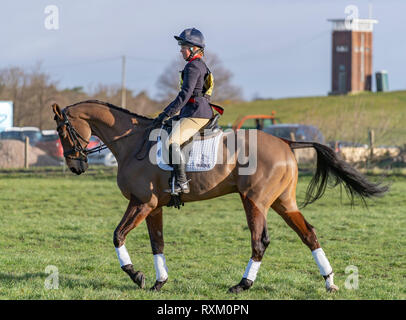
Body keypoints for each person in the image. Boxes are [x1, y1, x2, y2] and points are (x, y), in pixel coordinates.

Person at [153, 28, 214, 194]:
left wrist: (166, 113)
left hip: (196, 114)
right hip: (193, 111)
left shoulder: (193, 67)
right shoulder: (198, 65)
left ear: (194, 48)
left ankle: (181, 182)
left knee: (172, 142)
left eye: (183, 46)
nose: (180, 50)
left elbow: (185, 95)